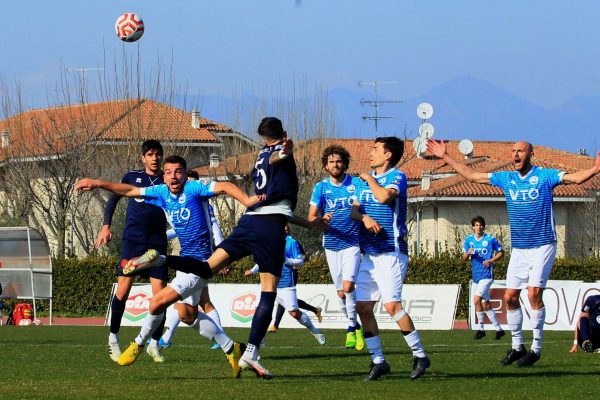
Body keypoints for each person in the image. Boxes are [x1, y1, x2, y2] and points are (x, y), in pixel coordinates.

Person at [118, 117, 327, 379]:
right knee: (268, 292)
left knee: (194, 293)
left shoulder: (261, 155)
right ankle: (250, 352)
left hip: (249, 222)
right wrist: (286, 150)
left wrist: (309, 224)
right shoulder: (275, 153)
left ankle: (163, 265)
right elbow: (278, 162)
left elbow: (274, 201)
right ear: (283, 134)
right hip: (270, 227)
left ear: (261, 137)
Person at [76, 155, 262, 378]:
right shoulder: (162, 192)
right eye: (169, 172)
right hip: (184, 261)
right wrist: (97, 183)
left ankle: (138, 344)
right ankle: (232, 348)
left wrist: (246, 200)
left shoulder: (194, 188)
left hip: (202, 263)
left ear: (184, 173)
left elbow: (224, 186)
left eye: (178, 171)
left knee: (157, 302)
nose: (173, 176)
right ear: (163, 176)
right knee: (187, 315)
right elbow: (129, 191)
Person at [427, 139, 600, 367]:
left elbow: (576, 178)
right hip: (520, 248)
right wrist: (446, 156)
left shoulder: (545, 176)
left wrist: (596, 169)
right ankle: (518, 346)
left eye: (520, 151)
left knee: (533, 294)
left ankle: (536, 349)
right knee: (509, 297)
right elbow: (472, 176)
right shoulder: (506, 178)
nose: (515, 154)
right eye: (514, 151)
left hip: (543, 245)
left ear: (530, 154)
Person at [350, 137, 430, 381]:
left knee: (392, 306)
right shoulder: (362, 182)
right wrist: (363, 218)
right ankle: (378, 361)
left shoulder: (398, 177)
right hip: (369, 255)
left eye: (376, 149)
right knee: (362, 307)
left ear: (388, 155)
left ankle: (420, 355)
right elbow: (355, 210)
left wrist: (370, 179)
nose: (370, 152)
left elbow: (384, 197)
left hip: (391, 252)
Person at [95, 139, 169, 363]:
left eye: (158, 154)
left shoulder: (167, 180)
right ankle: (113, 339)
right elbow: (113, 198)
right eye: (150, 154)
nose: (154, 158)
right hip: (133, 242)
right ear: (143, 157)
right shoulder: (131, 177)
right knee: (123, 291)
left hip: (157, 243)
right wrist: (106, 226)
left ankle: (154, 345)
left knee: (161, 297)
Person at [158, 169, 226, 351]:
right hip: (189, 259)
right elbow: (179, 229)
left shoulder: (204, 205)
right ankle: (167, 337)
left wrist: (221, 253)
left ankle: (223, 340)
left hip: (200, 260)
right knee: (198, 304)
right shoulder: (180, 203)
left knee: (181, 307)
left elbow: (215, 228)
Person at [308, 144, 365, 350]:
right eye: (331, 161)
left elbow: (360, 209)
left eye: (339, 161)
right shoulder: (320, 188)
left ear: (345, 163)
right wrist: (321, 219)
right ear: (325, 165)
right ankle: (355, 325)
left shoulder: (356, 184)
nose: (335, 164)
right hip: (331, 244)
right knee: (341, 293)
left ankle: (351, 329)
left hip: (352, 242)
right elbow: (311, 218)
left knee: (349, 287)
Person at [245, 225, 326, 345]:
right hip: (268, 282)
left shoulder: (291, 242)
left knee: (294, 313)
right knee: (260, 311)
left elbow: (300, 261)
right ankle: (258, 342)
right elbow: (264, 259)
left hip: (286, 283)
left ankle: (316, 331)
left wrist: (286, 260)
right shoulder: (268, 241)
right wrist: (253, 270)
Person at [268, 237, 322, 333]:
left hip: (289, 274)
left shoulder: (293, 242)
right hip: (278, 275)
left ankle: (275, 325)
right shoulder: (273, 239)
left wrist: (294, 263)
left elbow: (303, 256)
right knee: (286, 300)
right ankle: (314, 309)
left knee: (285, 298)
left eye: (287, 229)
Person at [463, 216, 505, 340]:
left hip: (486, 275)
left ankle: (481, 329)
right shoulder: (469, 240)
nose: (479, 227)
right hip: (476, 276)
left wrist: (491, 260)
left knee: (476, 300)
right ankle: (499, 329)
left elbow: (501, 252)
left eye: (481, 225)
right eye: (476, 225)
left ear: (483, 226)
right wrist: (468, 253)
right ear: (473, 227)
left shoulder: (490, 239)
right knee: (485, 304)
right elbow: (464, 259)